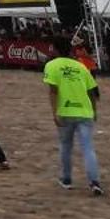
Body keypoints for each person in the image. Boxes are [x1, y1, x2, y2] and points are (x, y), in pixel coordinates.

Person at [43, 36, 102, 195]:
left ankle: (67, 179)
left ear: (55, 49)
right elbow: (91, 92)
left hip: (66, 111)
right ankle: (94, 181)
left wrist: (54, 112)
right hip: (85, 111)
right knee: (88, 148)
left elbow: (53, 91)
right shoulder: (81, 66)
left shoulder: (52, 65)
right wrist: (94, 111)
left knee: (65, 147)